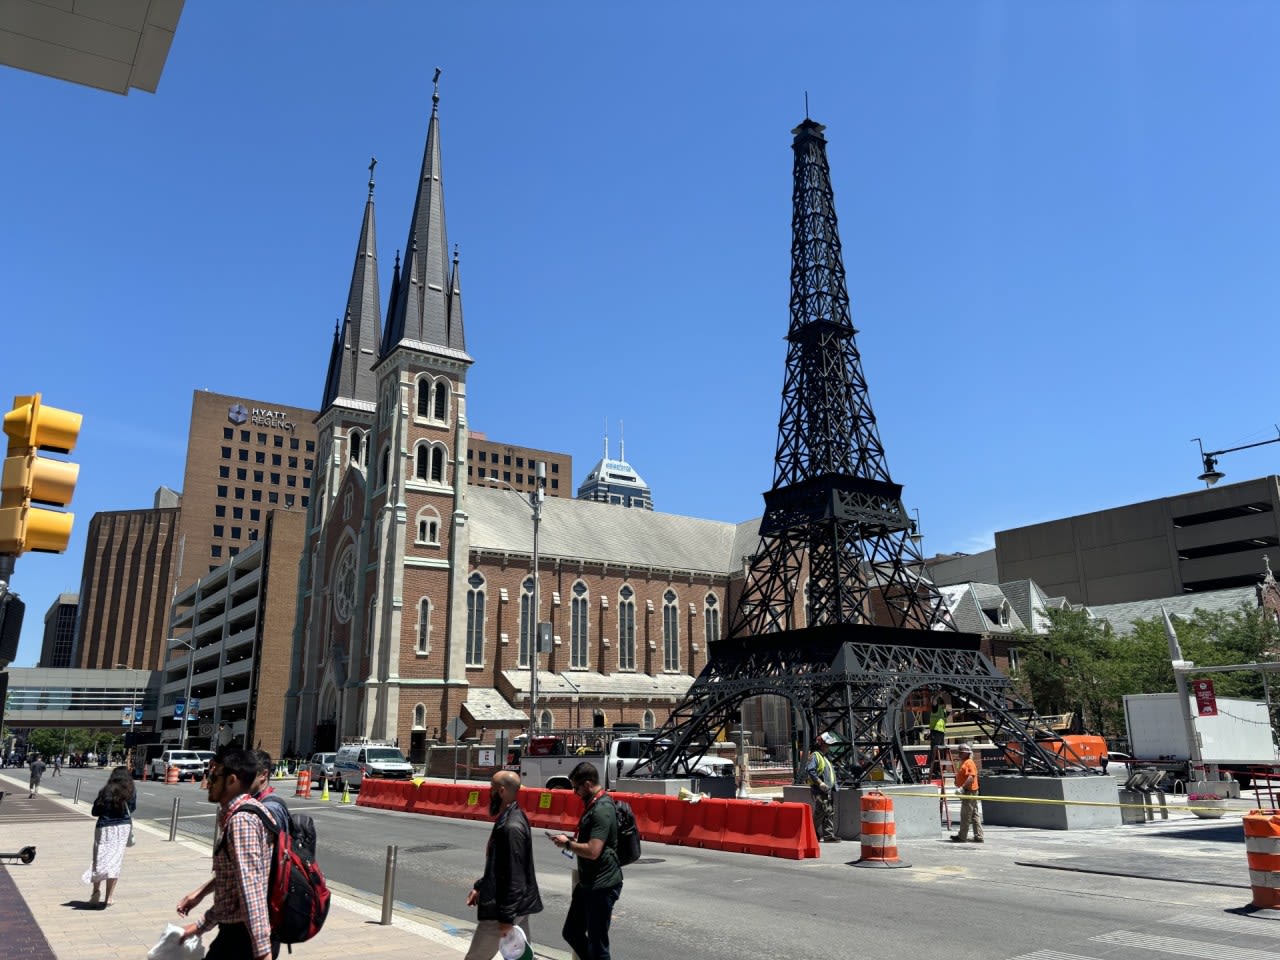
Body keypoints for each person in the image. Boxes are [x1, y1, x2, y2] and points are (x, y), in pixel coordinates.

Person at [179, 748, 274, 959]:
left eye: (214, 776)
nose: (208, 781)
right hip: (235, 934)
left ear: (231, 780)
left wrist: (262, 952)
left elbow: (251, 889)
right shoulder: (241, 813)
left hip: (243, 939)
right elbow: (232, 889)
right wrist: (201, 926)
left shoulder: (241, 822)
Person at [464, 770, 542, 960]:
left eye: (491, 788)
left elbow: (515, 875)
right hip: (516, 906)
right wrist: (481, 886)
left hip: (503, 909)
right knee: (522, 958)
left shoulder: (511, 826)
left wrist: (506, 918)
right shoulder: (512, 817)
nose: (488, 793)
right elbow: (499, 866)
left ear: (501, 791)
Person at [552, 762, 623, 960]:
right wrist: (572, 842)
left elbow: (593, 851)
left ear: (588, 784)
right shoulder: (593, 806)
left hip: (602, 885)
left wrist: (567, 844)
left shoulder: (602, 809)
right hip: (588, 883)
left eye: (576, 787)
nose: (574, 792)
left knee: (598, 945)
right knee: (571, 932)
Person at [83, 765, 136, 907]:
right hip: (122, 827)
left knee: (99, 859)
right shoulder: (130, 791)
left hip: (104, 827)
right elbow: (132, 808)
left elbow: (95, 811)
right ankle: (109, 897)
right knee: (115, 861)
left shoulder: (105, 791)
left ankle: (95, 892)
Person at [805, 737, 839, 842]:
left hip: (827, 790)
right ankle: (810, 833)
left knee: (829, 812)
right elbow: (810, 771)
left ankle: (828, 835)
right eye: (827, 745)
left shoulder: (824, 757)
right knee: (821, 812)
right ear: (821, 744)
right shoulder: (815, 756)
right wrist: (820, 783)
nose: (829, 747)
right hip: (819, 790)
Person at [949, 743, 984, 844]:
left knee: (965, 815)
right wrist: (958, 782)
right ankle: (979, 836)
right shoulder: (963, 762)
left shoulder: (969, 762)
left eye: (961, 752)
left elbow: (971, 777)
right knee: (974, 814)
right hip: (969, 791)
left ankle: (962, 836)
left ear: (966, 753)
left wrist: (962, 787)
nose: (959, 754)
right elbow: (963, 775)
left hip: (969, 792)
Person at [928, 696, 948, 775]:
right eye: (944, 704)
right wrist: (939, 694)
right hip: (935, 732)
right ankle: (934, 770)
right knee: (935, 751)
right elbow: (934, 701)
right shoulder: (936, 708)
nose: (945, 706)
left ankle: (939, 769)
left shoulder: (943, 711)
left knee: (940, 752)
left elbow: (950, 712)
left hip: (941, 733)